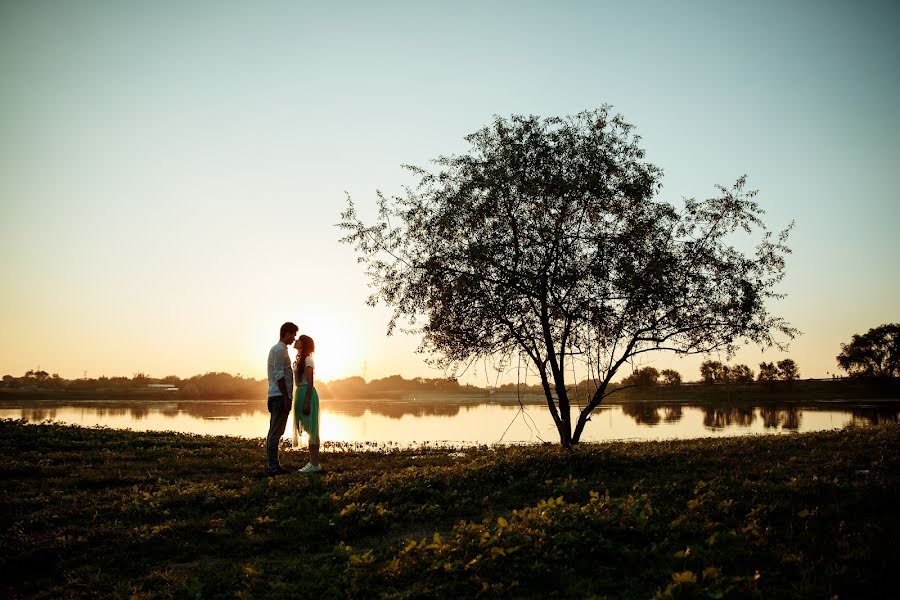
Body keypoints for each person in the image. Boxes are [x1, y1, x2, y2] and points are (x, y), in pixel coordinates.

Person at [266, 322, 298, 475]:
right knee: (275, 432)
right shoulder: (279, 350)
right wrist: (286, 397)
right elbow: (279, 375)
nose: (294, 338)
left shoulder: (280, 350)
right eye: (293, 335)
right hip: (279, 396)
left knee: (275, 431)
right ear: (286, 333)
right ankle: (273, 467)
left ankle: (273, 465)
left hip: (276, 395)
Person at [292, 334, 322, 473]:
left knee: (312, 429)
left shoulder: (308, 359)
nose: (295, 340)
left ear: (303, 344)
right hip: (300, 393)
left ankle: (314, 464)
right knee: (307, 428)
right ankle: (313, 462)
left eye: (298, 339)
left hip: (307, 394)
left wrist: (307, 401)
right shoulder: (300, 360)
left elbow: (310, 382)